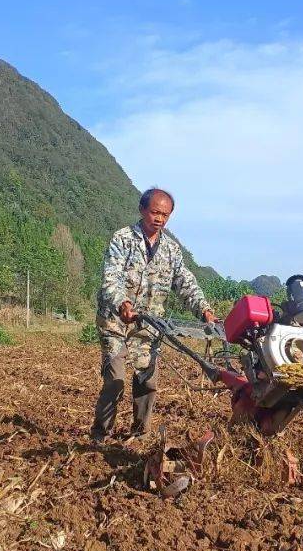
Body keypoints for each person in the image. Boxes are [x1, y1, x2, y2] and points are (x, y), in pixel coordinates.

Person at [91, 188, 214, 443]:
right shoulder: (123, 239)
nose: (159, 219)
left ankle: (140, 435)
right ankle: (101, 434)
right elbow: (111, 278)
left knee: (147, 380)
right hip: (115, 321)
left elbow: (185, 282)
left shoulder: (171, 249)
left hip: (148, 325)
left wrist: (204, 310)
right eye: (155, 212)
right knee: (115, 380)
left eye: (165, 215)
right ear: (142, 209)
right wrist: (123, 303)